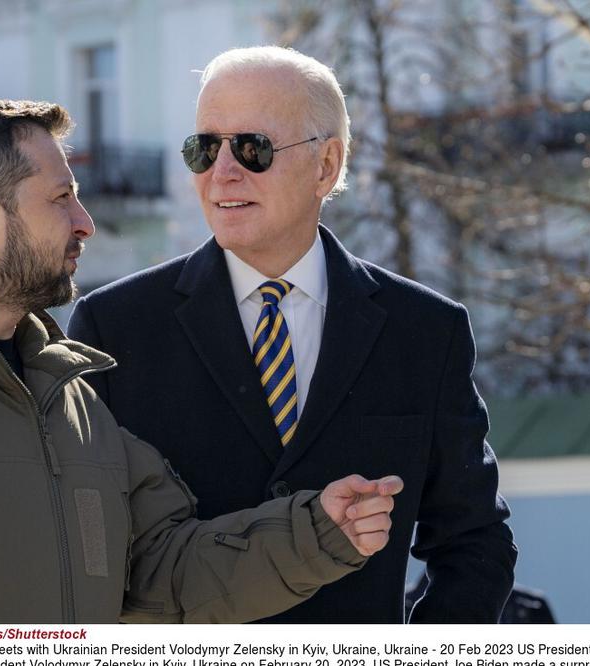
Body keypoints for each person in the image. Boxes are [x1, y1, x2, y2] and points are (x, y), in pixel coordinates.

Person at [0, 95, 403, 623]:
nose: (84, 221)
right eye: (60, 198)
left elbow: (159, 570)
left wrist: (315, 532)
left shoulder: (67, 398)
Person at [68, 46, 518, 623]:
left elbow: (475, 539)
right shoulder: (115, 325)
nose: (222, 172)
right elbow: (95, 557)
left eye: (252, 148)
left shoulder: (426, 330)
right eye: (204, 148)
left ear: (326, 165)